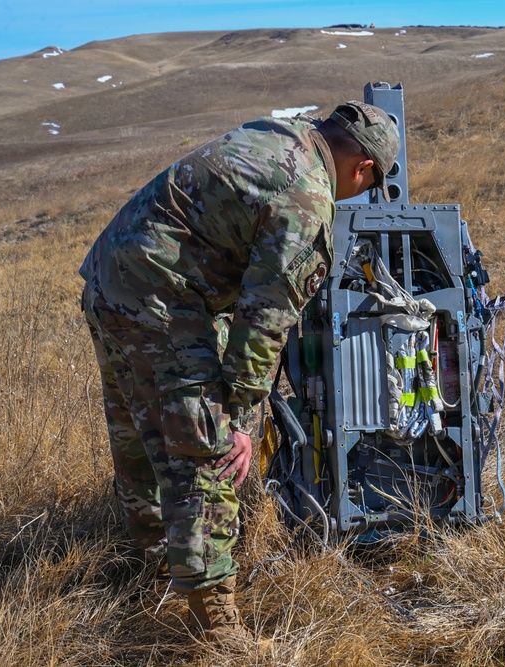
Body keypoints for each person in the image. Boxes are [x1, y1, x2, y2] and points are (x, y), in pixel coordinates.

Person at [79, 101, 399, 644]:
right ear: (364, 168)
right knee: (211, 455)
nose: (360, 197)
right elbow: (264, 322)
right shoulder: (308, 198)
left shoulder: (279, 136)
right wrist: (242, 421)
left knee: (142, 444)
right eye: (369, 187)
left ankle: (154, 585)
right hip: (163, 303)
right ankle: (217, 628)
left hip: (110, 284)